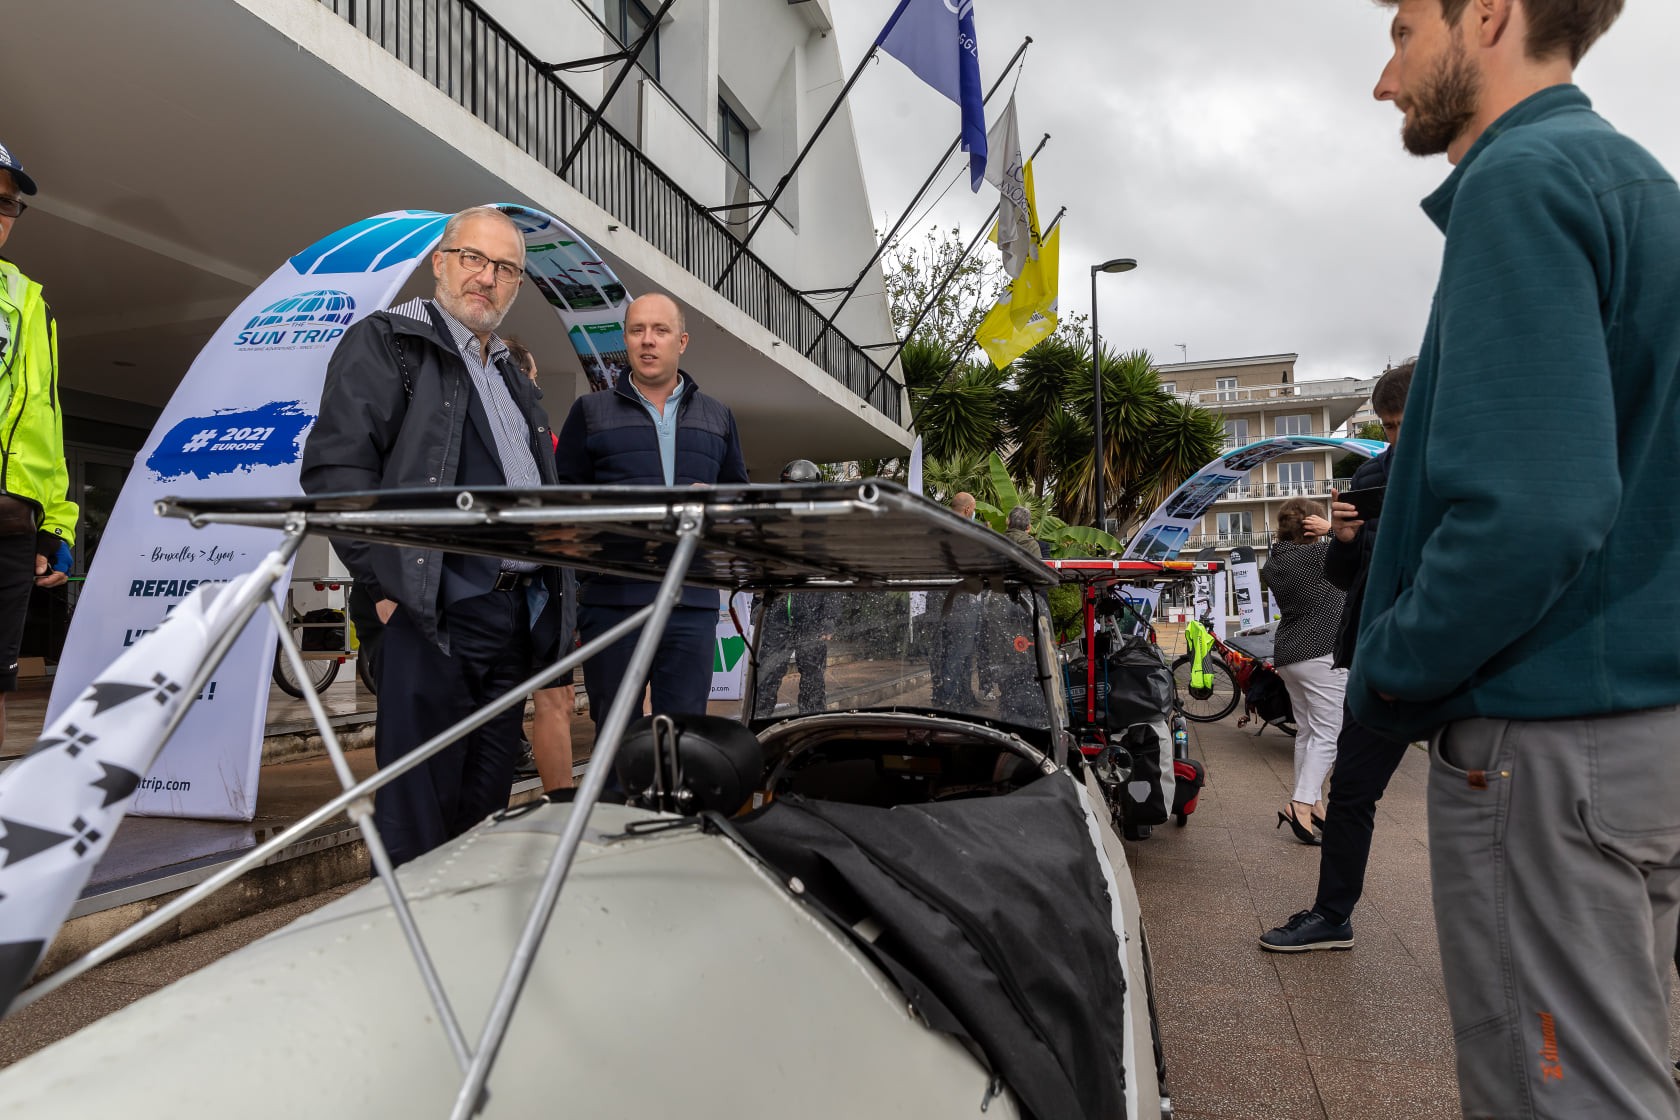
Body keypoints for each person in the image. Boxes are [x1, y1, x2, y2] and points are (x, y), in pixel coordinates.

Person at [1352, 3, 1680, 1115]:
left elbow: (1535, 513)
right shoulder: (1636, 183)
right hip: (1638, 736)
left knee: (1556, 1095)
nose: (1385, 79)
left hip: (1549, 747)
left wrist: (1393, 661)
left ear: (1486, 13)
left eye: (1404, 31)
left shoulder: (1519, 180)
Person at [301, 206, 567, 867]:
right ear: (440, 263)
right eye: (473, 258)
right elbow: (336, 474)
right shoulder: (388, 343)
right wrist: (386, 587)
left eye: (506, 268)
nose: (488, 277)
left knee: (482, 815)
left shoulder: (513, 377)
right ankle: (404, 932)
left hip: (510, 617)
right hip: (430, 613)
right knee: (416, 818)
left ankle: (459, 926)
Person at [1261, 361, 1413, 952]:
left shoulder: (1473, 469)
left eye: (1404, 424)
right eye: (1388, 426)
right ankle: (1331, 914)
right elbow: (1346, 576)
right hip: (1383, 653)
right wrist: (1347, 539)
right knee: (1350, 787)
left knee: (1491, 796)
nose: (1395, 438)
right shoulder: (1372, 476)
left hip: (1456, 655)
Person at [555, 292, 748, 736]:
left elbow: (739, 504)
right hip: (614, 604)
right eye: (637, 330)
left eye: (660, 330)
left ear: (682, 341)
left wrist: (717, 503)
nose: (648, 340)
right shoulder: (590, 412)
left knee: (682, 735)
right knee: (616, 733)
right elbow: (563, 502)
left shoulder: (718, 417)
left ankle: (670, 789)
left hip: (692, 603)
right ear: (625, 340)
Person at [0, 142, 75, 750]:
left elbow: (43, 423)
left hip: (9, 527)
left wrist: (55, 525)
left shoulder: (30, 299)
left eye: (6, 204)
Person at [505, 337, 578, 791]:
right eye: (533, 378)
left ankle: (561, 806)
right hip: (521, 588)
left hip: (544, 586)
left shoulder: (541, 434)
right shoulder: (527, 433)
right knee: (553, 698)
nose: (537, 388)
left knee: (558, 697)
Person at [1261, 497, 1345, 845]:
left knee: (1308, 733)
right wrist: (1335, 531)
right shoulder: (1323, 555)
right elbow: (1365, 551)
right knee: (1329, 734)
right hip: (1322, 651)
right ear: (1314, 525)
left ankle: (1315, 805)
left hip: (1289, 653)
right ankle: (1301, 804)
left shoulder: (1274, 562)